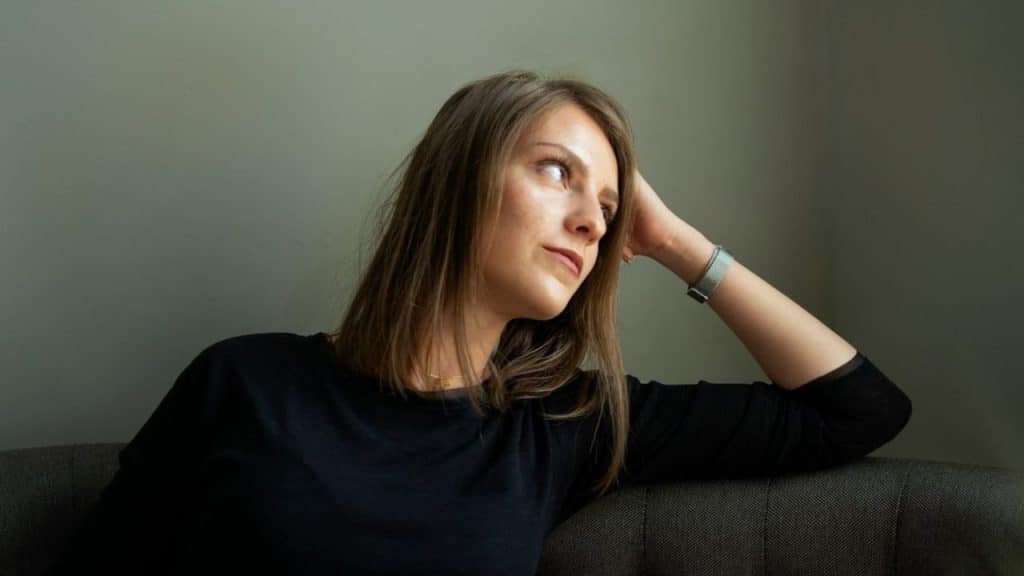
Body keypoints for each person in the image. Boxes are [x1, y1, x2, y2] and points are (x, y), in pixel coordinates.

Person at [47, 70, 912, 575]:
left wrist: (676, 241)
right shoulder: (242, 382)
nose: (591, 222)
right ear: (457, 178)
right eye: (557, 172)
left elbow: (860, 410)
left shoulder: (562, 426)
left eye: (609, 208)